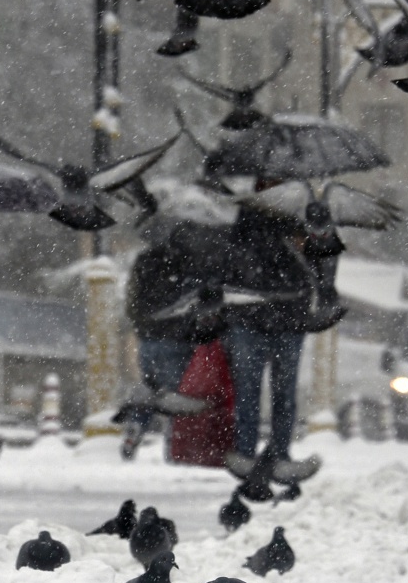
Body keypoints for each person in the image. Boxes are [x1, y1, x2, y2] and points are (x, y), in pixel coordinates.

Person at [218, 193, 326, 483]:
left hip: (280, 319)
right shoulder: (250, 217)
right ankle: (253, 452)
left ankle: (275, 454)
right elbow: (235, 264)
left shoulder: (300, 214)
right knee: (254, 392)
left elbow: (316, 262)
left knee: (278, 393)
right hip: (257, 318)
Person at [118, 221, 226, 459]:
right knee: (177, 398)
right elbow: (195, 302)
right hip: (176, 339)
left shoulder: (144, 260)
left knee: (150, 388)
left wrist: (143, 326)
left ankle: (135, 426)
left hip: (148, 339)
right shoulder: (188, 263)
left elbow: (132, 300)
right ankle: (174, 445)